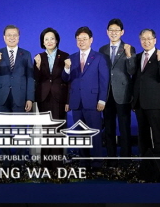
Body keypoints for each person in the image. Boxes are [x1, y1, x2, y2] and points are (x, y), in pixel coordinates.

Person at [64, 26, 109, 158]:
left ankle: (96, 163)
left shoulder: (99, 57)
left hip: (93, 102)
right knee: (80, 134)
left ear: (91, 40)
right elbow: (66, 80)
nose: (81, 41)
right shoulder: (71, 58)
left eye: (84, 39)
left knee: (95, 134)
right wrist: (66, 68)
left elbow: (104, 80)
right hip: (76, 102)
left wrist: (102, 100)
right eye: (79, 39)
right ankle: (83, 162)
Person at [99, 18, 134, 158]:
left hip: (123, 94)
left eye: (117, 30)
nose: (114, 33)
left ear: (122, 32)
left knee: (124, 128)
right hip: (107, 95)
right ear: (107, 32)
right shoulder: (102, 50)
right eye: (111, 30)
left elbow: (132, 71)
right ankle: (111, 159)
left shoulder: (129, 48)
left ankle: (126, 159)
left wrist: (129, 56)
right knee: (109, 128)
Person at [132, 28, 160, 155]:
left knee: (157, 133)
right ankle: (145, 162)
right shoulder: (137, 58)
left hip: (154, 103)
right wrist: (134, 100)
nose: (146, 41)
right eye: (143, 39)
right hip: (139, 103)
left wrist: (159, 61)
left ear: (155, 40)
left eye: (149, 39)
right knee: (142, 134)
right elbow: (136, 79)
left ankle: (159, 162)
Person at [0, 25, 34, 113]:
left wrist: (29, 98)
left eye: (15, 35)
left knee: (20, 126)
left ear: (18, 37)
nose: (12, 38)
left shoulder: (26, 54)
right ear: (4, 37)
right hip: (2, 95)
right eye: (9, 35)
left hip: (20, 96)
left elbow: (30, 77)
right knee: (3, 126)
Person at [33, 27, 70, 121]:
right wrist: (37, 66)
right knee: (46, 128)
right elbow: (36, 79)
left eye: (52, 38)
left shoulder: (65, 56)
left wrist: (68, 101)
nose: (49, 41)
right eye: (46, 39)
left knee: (59, 128)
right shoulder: (39, 57)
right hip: (43, 97)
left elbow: (69, 80)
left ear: (57, 40)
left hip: (60, 97)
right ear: (43, 42)